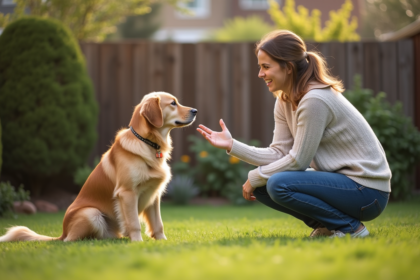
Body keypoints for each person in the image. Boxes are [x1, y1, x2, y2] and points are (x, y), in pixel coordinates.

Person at [196, 30, 391, 238]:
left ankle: (351, 228)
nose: (260, 74)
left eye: (266, 67)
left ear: (288, 68)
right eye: (260, 67)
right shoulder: (284, 100)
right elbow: (279, 153)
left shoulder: (315, 99)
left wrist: (255, 176)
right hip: (343, 184)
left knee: (276, 182)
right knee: (263, 186)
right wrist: (232, 145)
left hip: (368, 192)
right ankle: (328, 226)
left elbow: (298, 160)